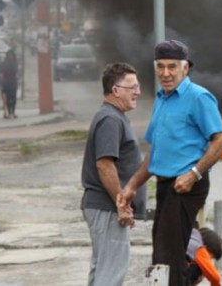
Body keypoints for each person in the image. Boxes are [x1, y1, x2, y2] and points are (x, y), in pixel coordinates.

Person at [118, 40, 222, 286]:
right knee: (163, 252)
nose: (165, 73)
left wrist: (194, 174)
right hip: (165, 184)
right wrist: (132, 186)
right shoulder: (162, 98)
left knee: (169, 255)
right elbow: (156, 152)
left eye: (172, 66)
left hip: (187, 185)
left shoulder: (198, 97)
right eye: (160, 66)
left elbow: (221, 140)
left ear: (185, 68)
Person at [81, 63, 147, 286]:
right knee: (110, 275)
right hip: (107, 207)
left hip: (105, 207)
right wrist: (121, 204)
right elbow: (104, 164)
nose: (138, 92)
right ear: (116, 90)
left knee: (102, 272)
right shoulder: (110, 119)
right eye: (133, 87)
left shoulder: (113, 116)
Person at [0, 50, 19, 119]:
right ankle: (9, 112)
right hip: (6, 82)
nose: (10, 57)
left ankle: (13, 112)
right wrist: (2, 82)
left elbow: (16, 71)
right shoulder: (4, 63)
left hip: (13, 82)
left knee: (13, 97)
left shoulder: (15, 63)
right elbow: (1, 73)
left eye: (12, 55)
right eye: (9, 55)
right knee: (7, 98)